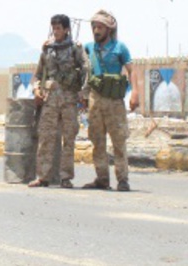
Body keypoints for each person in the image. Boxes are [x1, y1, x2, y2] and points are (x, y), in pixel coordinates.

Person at [28, 14, 88, 188]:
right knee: (46, 137)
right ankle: (43, 176)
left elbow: (86, 69)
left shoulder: (76, 48)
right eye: (53, 28)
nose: (56, 31)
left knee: (68, 139)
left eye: (59, 28)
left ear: (67, 29)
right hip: (51, 99)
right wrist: (37, 89)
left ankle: (65, 177)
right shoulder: (48, 49)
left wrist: (83, 94)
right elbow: (38, 74)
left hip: (69, 99)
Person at [81, 10, 138, 191]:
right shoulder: (89, 48)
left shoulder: (120, 48)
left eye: (100, 27)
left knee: (118, 141)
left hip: (114, 101)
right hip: (95, 100)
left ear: (108, 29)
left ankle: (122, 179)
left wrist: (135, 92)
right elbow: (83, 71)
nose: (96, 31)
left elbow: (131, 70)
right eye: (94, 27)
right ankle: (102, 179)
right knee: (97, 141)